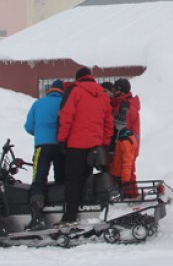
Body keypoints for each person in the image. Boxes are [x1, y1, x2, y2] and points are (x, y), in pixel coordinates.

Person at [56, 67, 114, 226]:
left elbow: (66, 117)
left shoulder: (75, 91)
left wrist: (62, 139)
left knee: (72, 180)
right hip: (94, 146)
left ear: (78, 78)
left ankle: (70, 216)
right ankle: (88, 211)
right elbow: (109, 122)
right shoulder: (102, 95)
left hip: (75, 145)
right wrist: (104, 142)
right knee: (87, 179)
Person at [23, 79, 66, 231]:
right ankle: (62, 213)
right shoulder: (64, 102)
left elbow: (28, 127)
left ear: (50, 90)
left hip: (42, 147)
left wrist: (41, 132)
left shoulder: (38, 103)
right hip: (61, 147)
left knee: (39, 179)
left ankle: (37, 217)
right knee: (61, 179)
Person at [111, 78, 141, 195]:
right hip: (129, 144)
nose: (112, 91)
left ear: (120, 90)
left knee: (127, 171)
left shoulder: (125, 107)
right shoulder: (125, 104)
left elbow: (121, 127)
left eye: (115, 89)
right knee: (127, 170)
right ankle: (130, 194)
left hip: (126, 144)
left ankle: (131, 195)